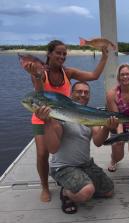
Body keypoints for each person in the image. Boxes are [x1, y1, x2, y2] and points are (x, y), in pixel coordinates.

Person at [23, 40, 110, 202]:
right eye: (58, 53)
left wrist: (104, 57)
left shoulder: (68, 72)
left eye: (64, 53)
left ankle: (72, 176)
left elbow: (93, 76)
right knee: (43, 153)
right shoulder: (41, 72)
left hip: (64, 116)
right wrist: (35, 75)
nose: (62, 56)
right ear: (49, 54)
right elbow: (39, 94)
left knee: (64, 148)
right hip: (43, 115)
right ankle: (45, 187)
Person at [35, 81, 118, 214]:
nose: (83, 95)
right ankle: (67, 192)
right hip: (63, 167)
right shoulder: (58, 114)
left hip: (85, 164)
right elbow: (53, 148)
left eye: (86, 92)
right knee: (87, 191)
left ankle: (79, 183)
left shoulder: (89, 115)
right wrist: (47, 122)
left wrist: (107, 127)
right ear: (71, 94)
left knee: (109, 191)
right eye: (79, 91)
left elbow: (98, 141)